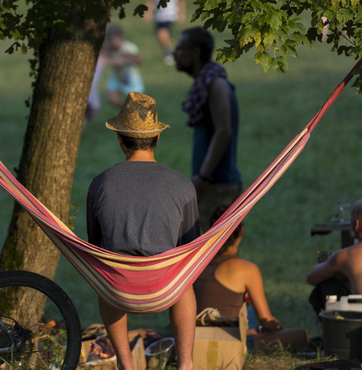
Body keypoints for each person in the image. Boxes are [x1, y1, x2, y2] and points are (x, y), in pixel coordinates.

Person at [87, 92, 199, 370]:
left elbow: (95, 245)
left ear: (120, 139)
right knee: (185, 283)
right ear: (157, 137)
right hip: (167, 288)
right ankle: (186, 364)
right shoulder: (183, 185)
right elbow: (192, 248)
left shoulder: (101, 184)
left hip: (118, 289)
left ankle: (126, 364)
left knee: (105, 279)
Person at [193, 205, 309, 353]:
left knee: (248, 314)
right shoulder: (246, 269)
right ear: (241, 231)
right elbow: (266, 320)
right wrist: (279, 330)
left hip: (193, 338)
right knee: (300, 336)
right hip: (226, 344)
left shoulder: (197, 263)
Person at [174, 27, 242, 233]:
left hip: (218, 185)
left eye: (180, 49)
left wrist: (203, 177)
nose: (175, 54)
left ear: (195, 52)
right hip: (211, 184)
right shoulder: (206, 83)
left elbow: (223, 131)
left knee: (214, 255)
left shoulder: (216, 84)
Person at [101, 24, 145, 109]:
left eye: (114, 41)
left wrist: (129, 59)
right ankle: (125, 111)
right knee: (112, 99)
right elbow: (103, 58)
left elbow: (139, 61)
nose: (112, 44)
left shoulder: (129, 48)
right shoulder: (108, 49)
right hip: (116, 76)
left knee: (134, 103)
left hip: (131, 77)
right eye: (109, 41)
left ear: (121, 38)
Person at [143, 0, 186, 65]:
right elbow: (151, 2)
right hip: (159, 17)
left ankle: (169, 53)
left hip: (170, 15)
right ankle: (169, 52)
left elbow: (181, 1)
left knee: (162, 33)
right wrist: (148, 12)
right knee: (161, 35)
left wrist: (181, 13)